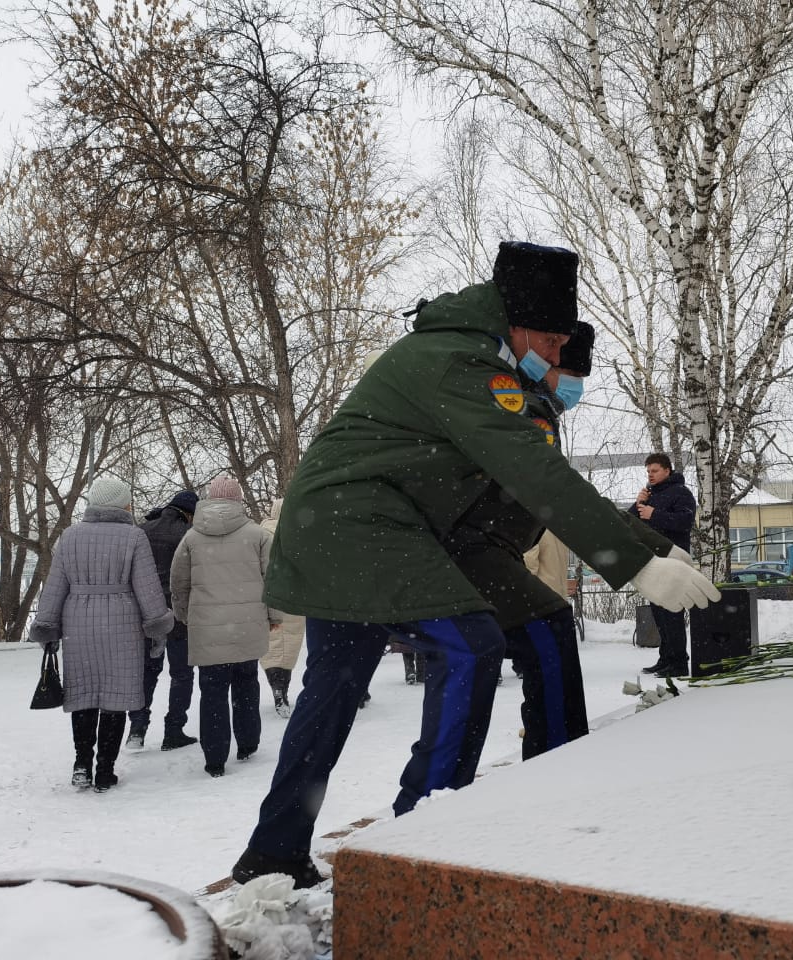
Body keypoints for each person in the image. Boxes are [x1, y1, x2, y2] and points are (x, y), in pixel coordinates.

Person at [231, 241, 717, 888]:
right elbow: (535, 477)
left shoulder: (491, 366)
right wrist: (636, 563)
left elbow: (535, 489)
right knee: (465, 648)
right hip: (359, 524)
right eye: (549, 342)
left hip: (408, 531)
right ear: (515, 323)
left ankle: (276, 850)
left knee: (346, 685)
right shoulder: (460, 361)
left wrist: (652, 547)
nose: (556, 358)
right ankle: (414, 851)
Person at [443, 322, 677, 760]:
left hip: (476, 547)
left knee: (482, 663)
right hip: (470, 548)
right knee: (547, 633)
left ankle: (542, 757)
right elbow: (556, 492)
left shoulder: (530, 405)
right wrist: (645, 554)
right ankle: (557, 758)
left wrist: (653, 545)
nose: (574, 386)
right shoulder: (525, 408)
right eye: (569, 373)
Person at [30, 475, 174, 793]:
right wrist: (157, 624)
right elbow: (148, 588)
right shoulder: (134, 537)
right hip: (123, 625)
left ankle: (82, 763)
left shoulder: (70, 537)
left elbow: (55, 585)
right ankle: (105, 771)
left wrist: (47, 624)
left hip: (78, 624)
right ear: (123, 504)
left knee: (82, 695)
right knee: (115, 697)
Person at [171, 474, 282, 778]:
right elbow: (273, 581)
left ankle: (215, 757)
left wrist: (184, 614)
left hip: (207, 628)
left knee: (212, 691)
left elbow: (179, 583)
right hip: (248, 625)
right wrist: (274, 617)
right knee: (247, 682)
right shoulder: (258, 535)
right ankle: (247, 743)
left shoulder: (192, 538)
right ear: (238, 500)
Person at [126, 489, 200, 751]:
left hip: (147, 614)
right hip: (179, 614)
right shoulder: (189, 534)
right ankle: (174, 730)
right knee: (182, 673)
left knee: (147, 671)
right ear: (190, 512)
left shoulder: (143, 530)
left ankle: (137, 727)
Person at [629, 453, 699, 677]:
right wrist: (638, 503)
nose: (650, 475)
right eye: (648, 471)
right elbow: (630, 523)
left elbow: (685, 522)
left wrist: (654, 514)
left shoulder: (681, 493)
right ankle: (665, 657)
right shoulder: (650, 494)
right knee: (659, 612)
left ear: (667, 470)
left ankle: (679, 662)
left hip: (672, 561)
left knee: (672, 613)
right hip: (653, 562)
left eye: (655, 471)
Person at [259, 498, 304, 718]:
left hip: (267, 597)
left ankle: (276, 687)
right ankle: (282, 689)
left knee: (271, 646)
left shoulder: (260, 533)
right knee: (289, 647)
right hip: (292, 598)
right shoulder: (297, 534)